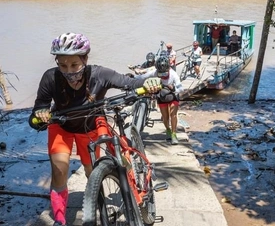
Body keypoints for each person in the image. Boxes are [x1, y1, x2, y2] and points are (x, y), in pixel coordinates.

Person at [29, 32, 160, 226]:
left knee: (92, 172)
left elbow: (129, 82)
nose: (69, 70)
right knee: (59, 170)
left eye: (74, 65)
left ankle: (105, 196)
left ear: (85, 59)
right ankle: (59, 219)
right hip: (61, 125)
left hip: (90, 125)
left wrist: (149, 82)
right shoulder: (50, 77)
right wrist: (40, 115)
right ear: (56, 62)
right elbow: (38, 110)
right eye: (62, 65)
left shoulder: (100, 74)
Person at [138, 56, 183, 145]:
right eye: (160, 73)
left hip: (173, 95)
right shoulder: (154, 73)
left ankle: (174, 134)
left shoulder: (173, 74)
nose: (162, 75)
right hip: (161, 96)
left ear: (169, 68)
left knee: (173, 114)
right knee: (165, 117)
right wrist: (130, 78)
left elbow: (181, 88)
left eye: (164, 73)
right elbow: (142, 77)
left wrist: (174, 88)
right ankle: (168, 129)